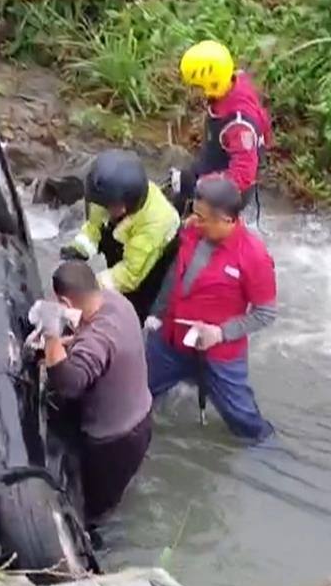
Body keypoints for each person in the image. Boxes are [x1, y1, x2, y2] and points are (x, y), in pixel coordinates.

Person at [145, 173, 276, 443]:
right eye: (193, 212)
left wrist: (221, 332)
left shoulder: (253, 256)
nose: (194, 221)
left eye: (202, 217)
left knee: (248, 426)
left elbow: (265, 313)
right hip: (170, 341)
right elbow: (174, 275)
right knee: (135, 398)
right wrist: (157, 312)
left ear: (226, 219)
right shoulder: (192, 231)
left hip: (218, 354)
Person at [30, 261, 153, 520]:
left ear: (65, 302)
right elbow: (97, 341)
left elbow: (67, 385)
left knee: (97, 511)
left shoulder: (96, 340)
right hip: (141, 419)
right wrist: (69, 342)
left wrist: (52, 336)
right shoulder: (116, 302)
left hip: (113, 441)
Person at [61, 150, 182, 323]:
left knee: (134, 309)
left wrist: (90, 288)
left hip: (150, 268)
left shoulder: (155, 223)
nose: (102, 208)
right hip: (122, 241)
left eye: (109, 206)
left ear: (125, 206)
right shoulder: (106, 196)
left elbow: (130, 274)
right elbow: (94, 226)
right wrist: (78, 249)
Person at [176, 40, 273, 219]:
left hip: (224, 194)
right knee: (182, 183)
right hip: (213, 167)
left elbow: (243, 174)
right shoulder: (234, 81)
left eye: (195, 87)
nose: (190, 91)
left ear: (213, 85)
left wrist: (205, 186)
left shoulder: (238, 125)